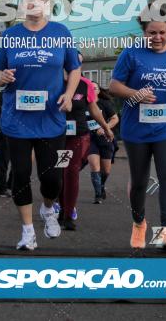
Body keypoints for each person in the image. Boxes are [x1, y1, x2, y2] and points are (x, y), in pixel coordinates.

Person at [0, 0, 81, 251]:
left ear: (47, 3)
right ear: (22, 5)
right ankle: (27, 231)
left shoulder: (60, 33)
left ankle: (48, 208)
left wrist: (68, 94)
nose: (34, 3)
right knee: (20, 174)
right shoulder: (9, 36)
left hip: (51, 118)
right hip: (16, 120)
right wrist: (2, 77)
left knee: (52, 178)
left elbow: (74, 69)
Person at [109, 18, 166, 251]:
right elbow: (114, 86)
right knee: (139, 181)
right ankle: (139, 224)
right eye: (152, 32)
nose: (157, 37)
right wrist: (137, 94)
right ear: (144, 32)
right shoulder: (131, 53)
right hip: (136, 128)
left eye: (162, 32)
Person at [59, 52, 109, 230]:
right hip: (56, 137)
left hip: (78, 135)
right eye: (72, 63)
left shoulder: (85, 84)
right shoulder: (52, 82)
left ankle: (67, 215)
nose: (75, 66)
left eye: (79, 64)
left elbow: (95, 110)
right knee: (57, 175)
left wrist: (107, 127)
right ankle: (58, 206)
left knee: (71, 172)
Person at [87, 83, 119, 204]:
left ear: (99, 91)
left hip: (105, 138)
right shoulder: (84, 104)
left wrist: (106, 128)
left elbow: (115, 119)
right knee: (95, 166)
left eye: (95, 88)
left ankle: (101, 186)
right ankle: (98, 194)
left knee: (106, 171)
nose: (92, 90)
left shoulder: (104, 104)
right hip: (89, 139)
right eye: (90, 88)